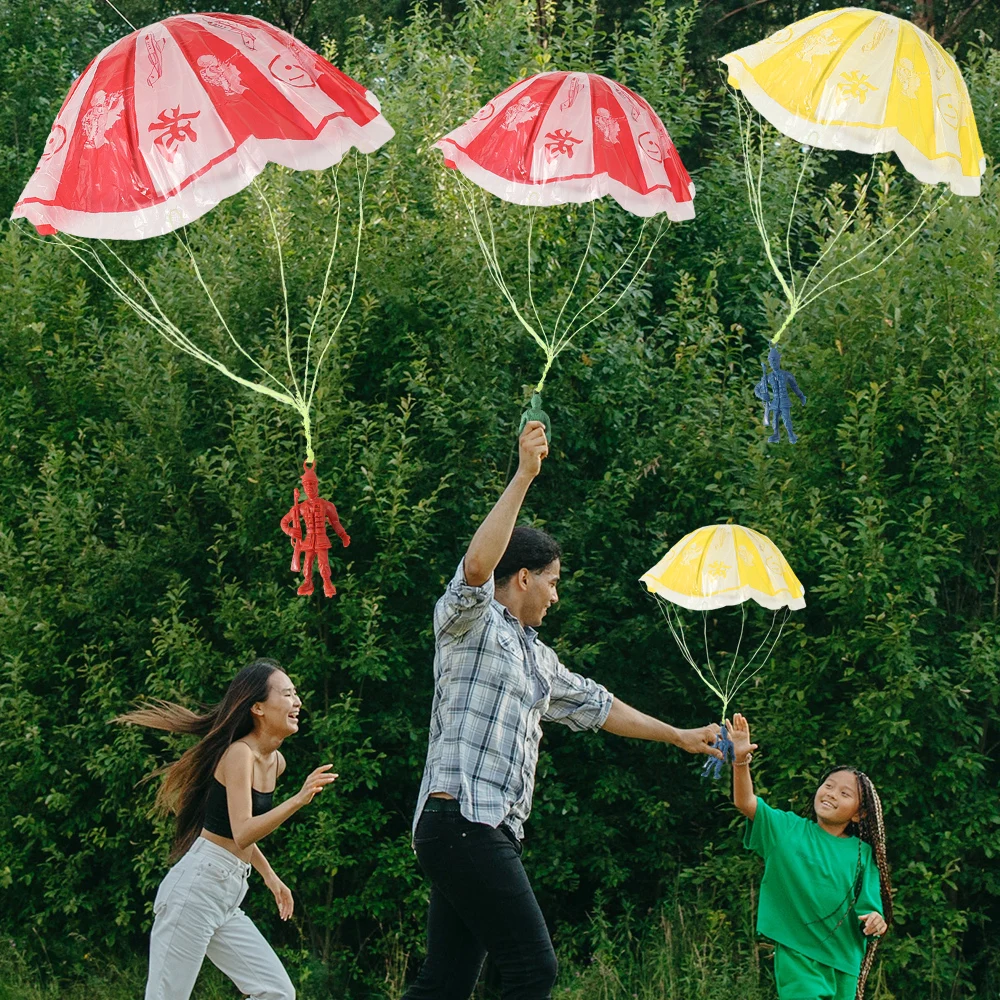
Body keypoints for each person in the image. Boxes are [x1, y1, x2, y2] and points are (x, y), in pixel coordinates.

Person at [403, 420, 723, 1000]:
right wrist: (525, 474)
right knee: (533, 968)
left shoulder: (539, 658)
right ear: (522, 577)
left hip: (481, 829)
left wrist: (679, 735)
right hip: (463, 822)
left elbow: (601, 707)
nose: (557, 595)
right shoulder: (468, 623)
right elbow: (477, 568)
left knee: (445, 981)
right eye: (552, 582)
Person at [116, 658, 338, 1000]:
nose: (297, 702)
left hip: (227, 892)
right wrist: (298, 799)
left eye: (296, 694)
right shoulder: (240, 754)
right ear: (258, 707)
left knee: (277, 992)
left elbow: (236, 832)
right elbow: (243, 832)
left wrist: (270, 876)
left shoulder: (276, 762)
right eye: (288, 693)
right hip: (196, 889)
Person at [728, 713, 892, 1000]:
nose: (831, 794)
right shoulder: (786, 829)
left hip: (844, 961)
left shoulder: (861, 854)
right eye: (828, 785)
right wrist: (740, 759)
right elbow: (745, 801)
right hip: (798, 954)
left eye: (844, 793)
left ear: (858, 813)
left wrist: (876, 920)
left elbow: (869, 910)